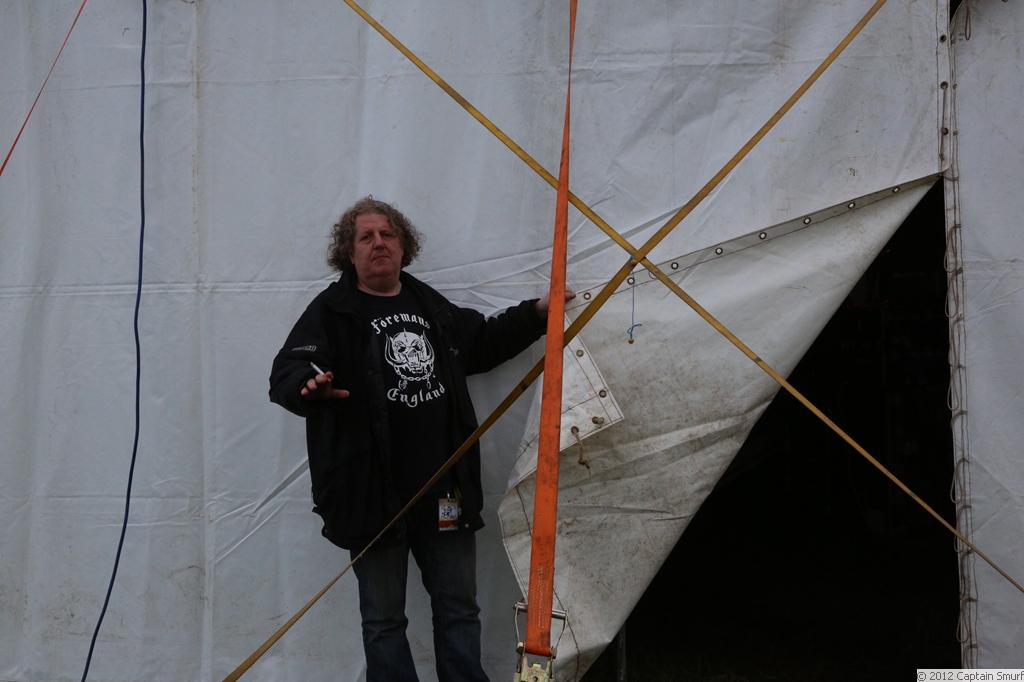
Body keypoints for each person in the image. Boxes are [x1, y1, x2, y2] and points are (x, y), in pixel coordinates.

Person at [268, 196, 573, 682]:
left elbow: (482, 343)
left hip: (444, 492)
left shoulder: (429, 305)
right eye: (365, 237)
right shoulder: (331, 311)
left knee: (459, 608)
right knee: (383, 620)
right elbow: (290, 369)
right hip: (372, 498)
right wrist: (309, 387)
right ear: (349, 252)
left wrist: (538, 313)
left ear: (403, 246)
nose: (378, 243)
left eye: (387, 234)